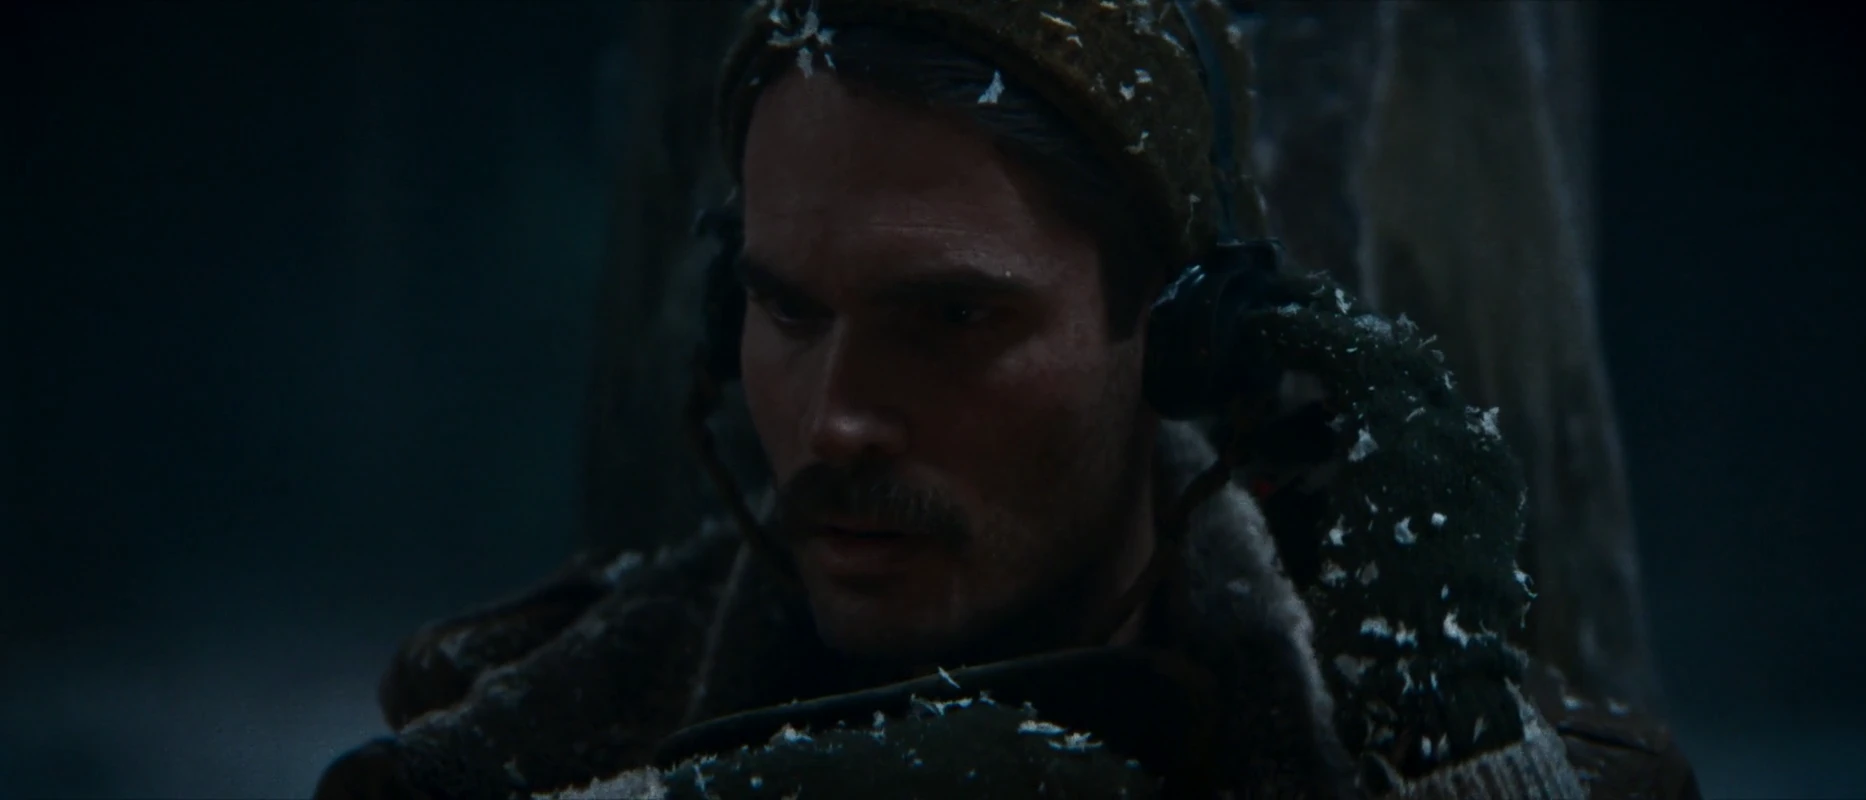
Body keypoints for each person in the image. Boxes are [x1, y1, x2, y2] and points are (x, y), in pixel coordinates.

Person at [315, 1, 1699, 798]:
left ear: (1170, 333)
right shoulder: (524, 734)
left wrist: (1462, 764)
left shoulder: (1419, 742)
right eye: (787, 310)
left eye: (953, 320)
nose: (837, 422)